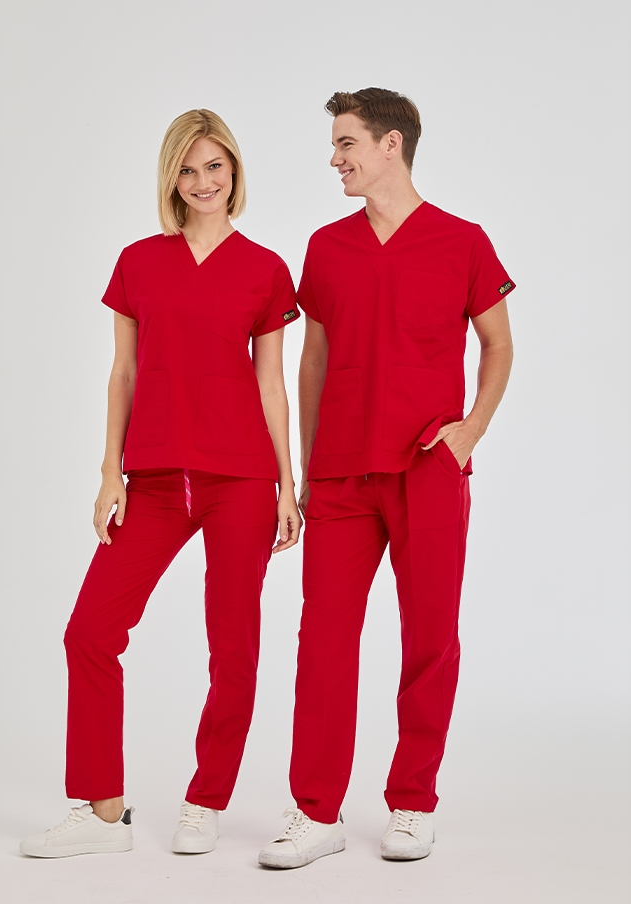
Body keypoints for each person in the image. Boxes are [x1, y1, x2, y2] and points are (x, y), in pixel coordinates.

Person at [20, 109, 302, 859]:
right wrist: (108, 471)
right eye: (188, 168)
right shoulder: (139, 261)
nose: (203, 181)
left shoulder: (265, 268)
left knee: (233, 647)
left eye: (215, 166)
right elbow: (124, 372)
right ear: (170, 178)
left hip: (242, 478)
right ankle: (102, 811)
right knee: (90, 633)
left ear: (234, 172)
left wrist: (287, 484)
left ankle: (206, 800)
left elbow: (271, 384)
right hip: (152, 480)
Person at [258, 88, 516, 869]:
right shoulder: (326, 248)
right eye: (336, 145)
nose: (334, 159)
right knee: (323, 641)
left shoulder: (462, 242)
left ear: (390, 144)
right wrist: (303, 470)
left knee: (430, 637)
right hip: (341, 475)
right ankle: (317, 812)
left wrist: (469, 431)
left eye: (346, 144)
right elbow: (313, 360)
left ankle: (413, 801)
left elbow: (499, 344)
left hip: (427, 468)